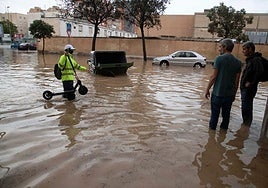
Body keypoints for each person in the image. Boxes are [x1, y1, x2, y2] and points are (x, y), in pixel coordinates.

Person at [205, 38, 242, 130]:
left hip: (217, 94)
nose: (219, 49)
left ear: (225, 47)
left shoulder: (219, 59)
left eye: (220, 47)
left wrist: (207, 89)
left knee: (214, 117)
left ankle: (211, 138)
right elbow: (237, 81)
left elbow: (213, 77)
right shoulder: (238, 62)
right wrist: (234, 94)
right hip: (229, 95)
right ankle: (222, 136)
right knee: (226, 117)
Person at [240, 41, 264, 127]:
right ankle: (245, 126)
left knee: (246, 107)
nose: (243, 51)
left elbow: (259, 72)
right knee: (245, 106)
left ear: (250, 49)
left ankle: (246, 125)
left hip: (249, 89)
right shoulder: (251, 60)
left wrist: (251, 83)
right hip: (246, 89)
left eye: (244, 49)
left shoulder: (256, 60)